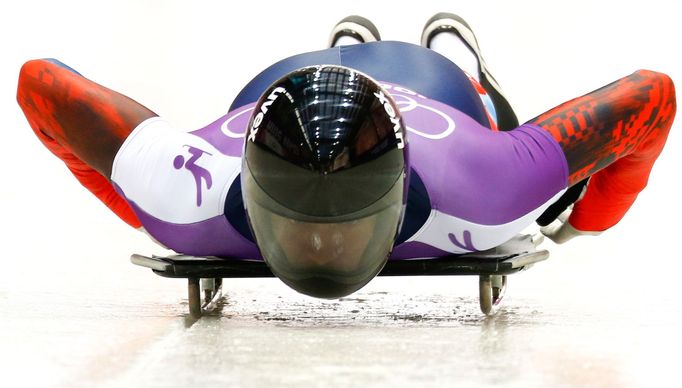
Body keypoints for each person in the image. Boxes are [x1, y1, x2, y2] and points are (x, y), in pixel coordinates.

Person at [16, 13, 676, 298]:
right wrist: (584, 220)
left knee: (490, 116)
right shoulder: (491, 195)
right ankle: (454, 62)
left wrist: (134, 208)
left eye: (345, 227)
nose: (323, 254)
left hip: (426, 91)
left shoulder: (489, 186)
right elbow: (650, 99)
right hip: (356, 90)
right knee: (532, 162)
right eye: (298, 226)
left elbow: (40, 82)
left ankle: (463, 68)